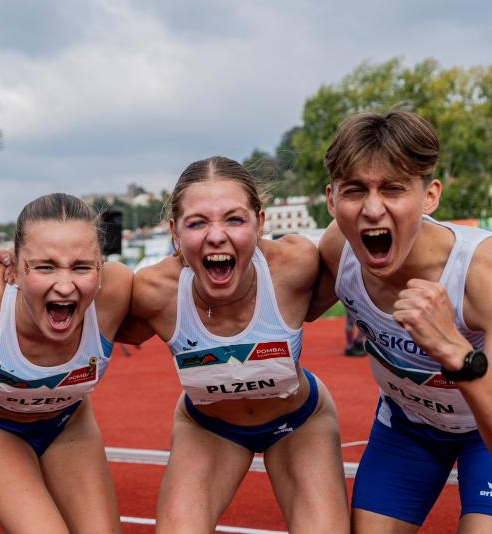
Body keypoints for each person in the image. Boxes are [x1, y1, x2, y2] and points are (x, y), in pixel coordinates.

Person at [309, 110, 492, 533]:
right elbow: (276, 302)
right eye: (354, 190)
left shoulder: (488, 276)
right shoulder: (338, 250)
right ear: (332, 201)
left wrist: (455, 353)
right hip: (408, 427)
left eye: (393, 188)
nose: (372, 208)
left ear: (430, 196)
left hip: (489, 428)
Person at [118, 156, 349, 533]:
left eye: (234, 219)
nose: (216, 235)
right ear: (175, 231)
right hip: (208, 427)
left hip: (299, 422)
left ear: (261, 222)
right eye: (197, 223)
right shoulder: (154, 292)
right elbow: (84, 320)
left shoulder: (295, 266)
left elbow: (369, 264)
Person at [0, 193, 132, 533]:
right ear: (12, 268)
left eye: (82, 266)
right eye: (45, 266)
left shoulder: (117, 292)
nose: (65, 285)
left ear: (101, 267)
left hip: (68, 424)